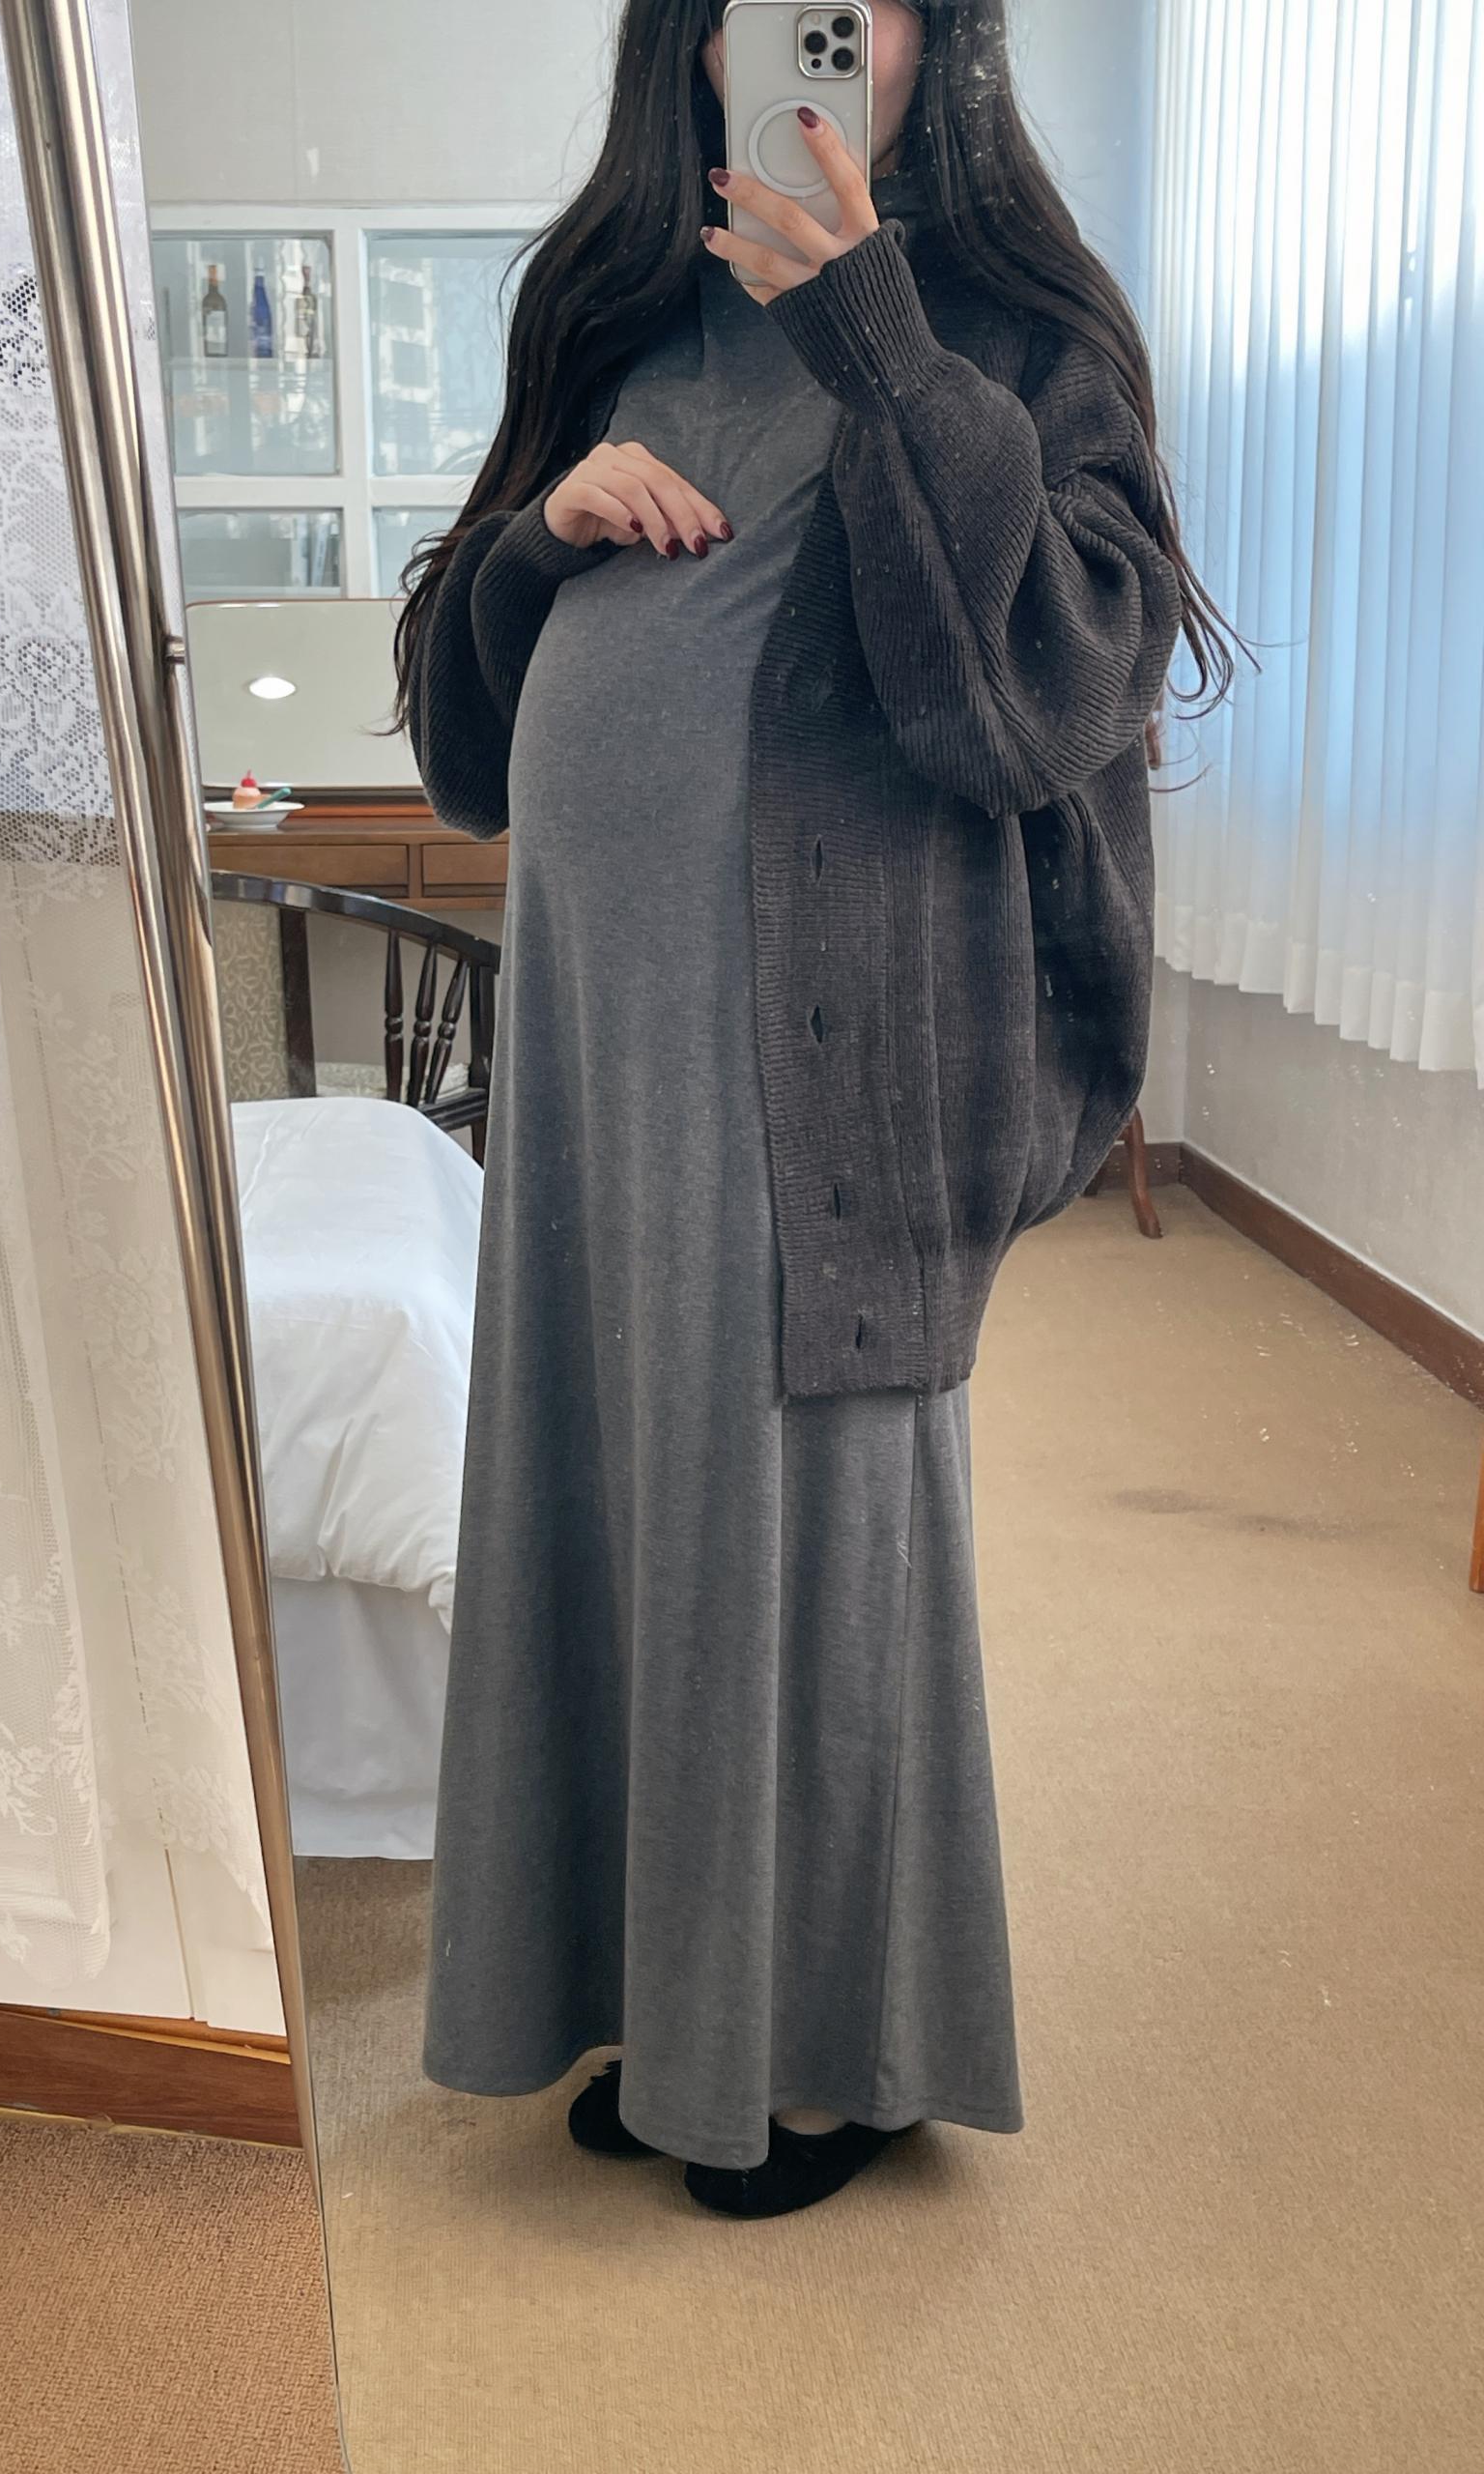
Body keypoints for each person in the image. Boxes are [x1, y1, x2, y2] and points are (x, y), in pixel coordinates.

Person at [395, 0, 1226, 2221]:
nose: (813, 36)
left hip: (828, 1049)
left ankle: (832, 2062)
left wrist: (874, 333)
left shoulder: (1020, 333)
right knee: (624, 1502)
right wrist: (531, 542)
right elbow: (464, 745)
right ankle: (673, 2014)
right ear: (691, 45)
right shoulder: (604, 319)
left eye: (861, 7)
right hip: (597, 1057)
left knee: (811, 1524)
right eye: (765, 6)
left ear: (935, 45)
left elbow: (1041, 695)